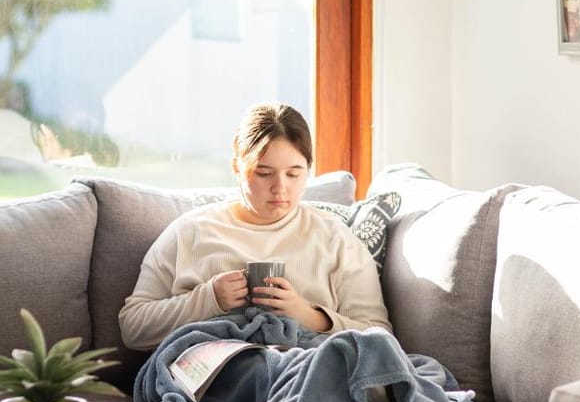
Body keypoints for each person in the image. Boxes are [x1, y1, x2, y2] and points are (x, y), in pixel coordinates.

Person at [118, 103, 392, 352]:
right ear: (237, 168)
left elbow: (380, 336)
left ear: (307, 169)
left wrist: (306, 314)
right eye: (264, 173)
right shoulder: (189, 233)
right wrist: (209, 299)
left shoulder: (335, 239)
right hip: (221, 368)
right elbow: (132, 328)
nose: (280, 187)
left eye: (294, 173)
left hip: (309, 364)